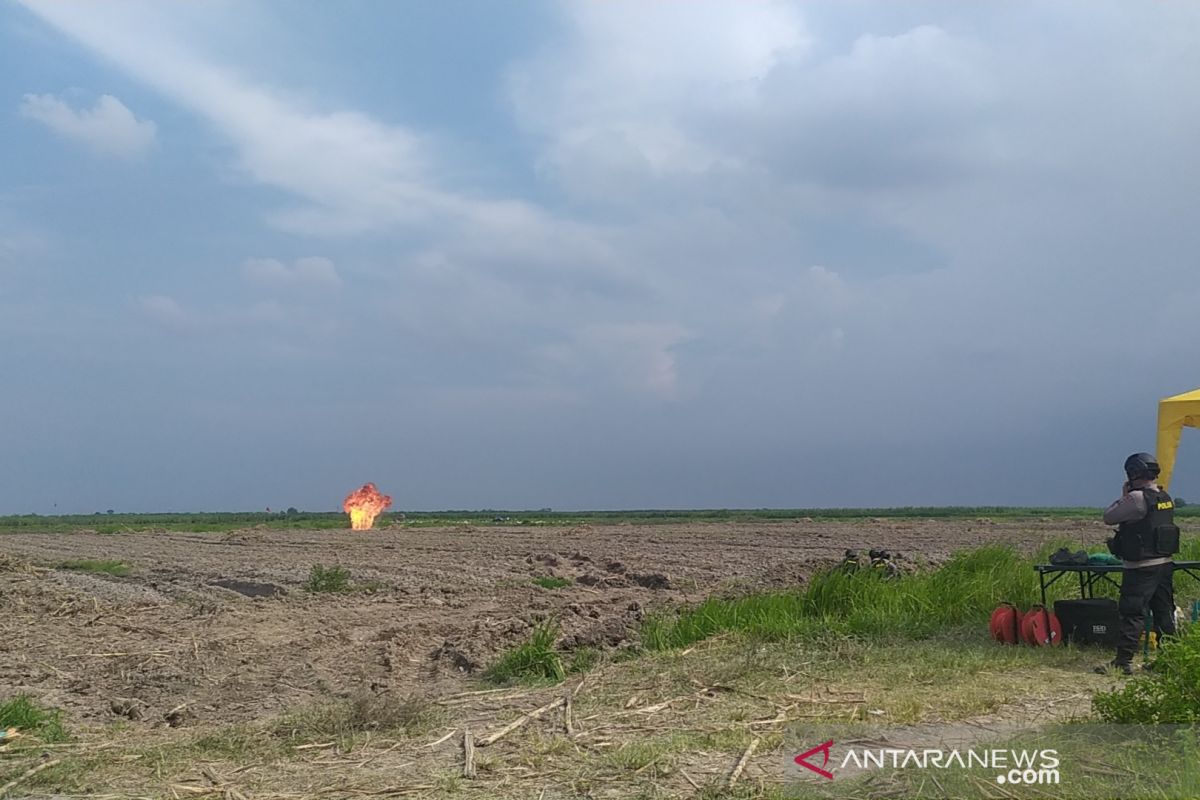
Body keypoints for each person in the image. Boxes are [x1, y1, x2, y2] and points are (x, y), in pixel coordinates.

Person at [1095, 453, 1180, 675]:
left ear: (1133, 473)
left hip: (1141, 567)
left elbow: (1109, 517)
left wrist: (1124, 494)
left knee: (1132, 613)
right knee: (1164, 613)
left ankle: (1122, 662)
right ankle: (1170, 660)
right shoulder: (1165, 496)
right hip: (1165, 564)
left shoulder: (1136, 499)